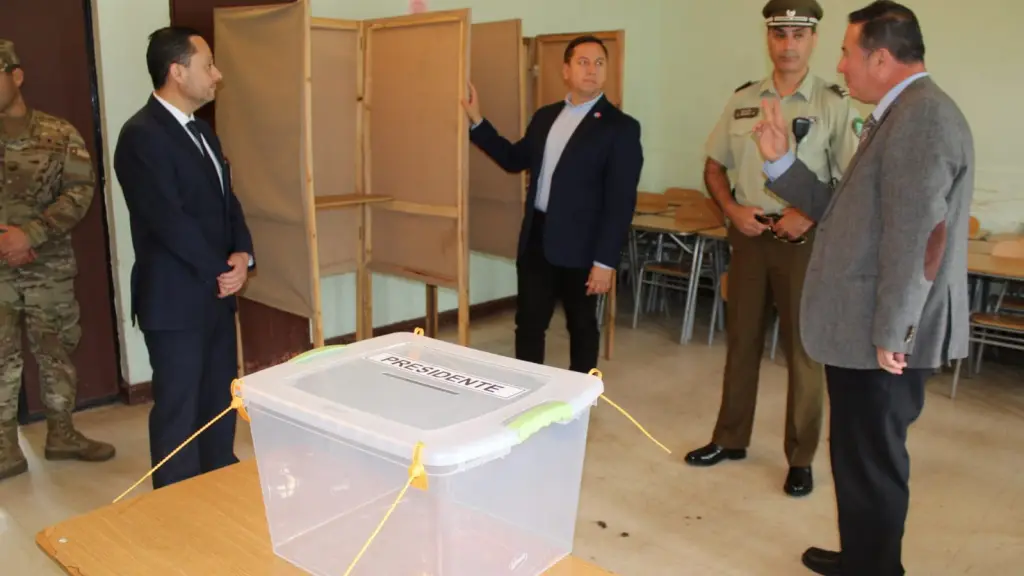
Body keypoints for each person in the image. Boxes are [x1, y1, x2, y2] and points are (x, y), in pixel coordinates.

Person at [755, 2, 974, 574]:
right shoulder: (901, 113)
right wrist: (781, 164)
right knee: (856, 454)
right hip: (868, 325)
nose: (840, 65)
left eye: (846, 52)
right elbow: (846, 212)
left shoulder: (922, 117)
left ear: (880, 58)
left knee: (873, 460)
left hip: (884, 334)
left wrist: (894, 332)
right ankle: (863, 557)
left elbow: (916, 237)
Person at [684, 0, 860, 498]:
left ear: (813, 40)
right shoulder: (744, 99)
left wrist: (810, 213)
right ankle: (730, 437)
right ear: (768, 38)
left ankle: (800, 458)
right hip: (750, 237)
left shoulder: (833, 102)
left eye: (798, 35)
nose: (788, 44)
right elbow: (714, 166)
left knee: (804, 353)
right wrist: (730, 210)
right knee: (741, 343)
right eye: (779, 34)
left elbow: (853, 180)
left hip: (804, 244)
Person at [113, 27, 255, 489]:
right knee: (179, 408)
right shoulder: (141, 136)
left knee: (218, 400)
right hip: (175, 300)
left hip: (216, 292)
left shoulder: (202, 131)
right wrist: (220, 270)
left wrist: (242, 255)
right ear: (177, 71)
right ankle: (175, 504)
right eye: (207, 65)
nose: (217, 74)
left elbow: (227, 202)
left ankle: (218, 483)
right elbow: (167, 220)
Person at [461, 35, 642, 373]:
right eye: (583, 62)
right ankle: (529, 390)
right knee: (529, 324)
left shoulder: (621, 128)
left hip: (584, 245)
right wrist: (477, 121)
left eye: (599, 63)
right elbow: (514, 159)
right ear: (566, 70)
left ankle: (580, 395)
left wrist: (605, 262)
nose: (592, 70)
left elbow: (621, 201)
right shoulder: (546, 117)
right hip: (538, 238)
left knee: (582, 326)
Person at [0, 39, 116, 482]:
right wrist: (6, 241)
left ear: (16, 76)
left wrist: (29, 234)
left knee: (56, 352)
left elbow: (80, 191)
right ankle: (4, 448)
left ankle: (62, 434)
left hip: (48, 267)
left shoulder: (58, 133)